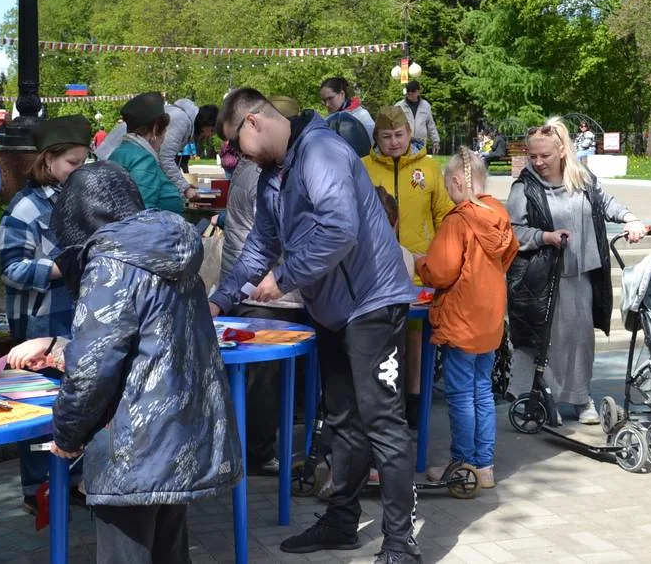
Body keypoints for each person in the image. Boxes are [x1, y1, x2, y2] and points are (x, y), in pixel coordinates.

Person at [210, 88, 420, 564]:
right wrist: (220, 300)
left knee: (383, 422)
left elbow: (339, 228)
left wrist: (284, 277)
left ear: (253, 122)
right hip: (331, 311)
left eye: (235, 142)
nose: (234, 154)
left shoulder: (321, 150)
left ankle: (401, 543)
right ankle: (342, 523)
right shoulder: (272, 174)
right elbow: (261, 245)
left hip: (372, 303)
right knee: (343, 419)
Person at [6, 161, 243, 564]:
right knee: (170, 552)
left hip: (134, 447)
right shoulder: (169, 249)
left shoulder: (111, 262)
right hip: (179, 434)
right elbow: (147, 340)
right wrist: (58, 344)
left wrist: (67, 435)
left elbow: (93, 369)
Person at [506, 118, 647, 424]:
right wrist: (544, 237)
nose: (538, 162)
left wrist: (630, 218)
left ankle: (581, 398)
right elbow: (512, 231)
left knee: (581, 339)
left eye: (545, 155)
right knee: (546, 340)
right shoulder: (524, 187)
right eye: (533, 155)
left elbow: (606, 203)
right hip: (542, 277)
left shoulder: (583, 179)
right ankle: (542, 397)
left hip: (581, 273)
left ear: (561, 151)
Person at [0, 115, 91, 514]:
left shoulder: (81, 199)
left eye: (84, 162)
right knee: (40, 406)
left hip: (75, 317)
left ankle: (73, 479)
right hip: (38, 322)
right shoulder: (25, 207)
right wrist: (58, 268)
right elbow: (10, 268)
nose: (79, 170)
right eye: (72, 163)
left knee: (76, 401)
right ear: (49, 159)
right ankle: (38, 488)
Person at [416, 148, 519, 489]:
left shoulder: (459, 220)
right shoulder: (499, 214)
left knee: (461, 396)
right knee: (482, 392)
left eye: (448, 185)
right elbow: (508, 256)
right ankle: (484, 466)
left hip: (461, 319)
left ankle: (463, 464)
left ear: (458, 181)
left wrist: (419, 263)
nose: (447, 192)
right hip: (489, 317)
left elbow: (441, 272)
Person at [218, 94, 305, 475]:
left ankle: (253, 447)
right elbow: (273, 239)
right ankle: (257, 451)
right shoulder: (265, 169)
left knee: (260, 379)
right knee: (263, 380)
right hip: (265, 292)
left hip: (257, 285)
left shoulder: (258, 164)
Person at [361, 105, 453, 429]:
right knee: (380, 341)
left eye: (399, 135)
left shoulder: (429, 168)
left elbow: (443, 215)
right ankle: (382, 406)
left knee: (415, 341)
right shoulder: (363, 167)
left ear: (410, 134)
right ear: (376, 138)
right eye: (386, 137)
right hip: (375, 275)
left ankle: (413, 405)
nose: (394, 142)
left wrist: (441, 257)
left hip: (419, 272)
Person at [108, 92, 184, 213]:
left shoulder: (118, 153)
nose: (164, 139)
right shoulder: (143, 160)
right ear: (155, 130)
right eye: (164, 131)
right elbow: (143, 213)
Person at [159, 98, 219, 202]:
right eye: (211, 131)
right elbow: (165, 158)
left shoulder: (184, 120)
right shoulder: (181, 121)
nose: (209, 135)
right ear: (205, 124)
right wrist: (185, 189)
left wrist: (184, 185)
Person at [319, 77, 375, 142]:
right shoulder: (328, 120)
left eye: (330, 98)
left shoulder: (361, 115)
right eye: (324, 100)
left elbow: (374, 144)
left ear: (342, 94)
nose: (327, 104)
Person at [393, 81, 440, 154]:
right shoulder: (399, 106)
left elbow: (431, 125)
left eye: (413, 91)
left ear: (418, 92)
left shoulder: (426, 105)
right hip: (404, 143)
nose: (410, 93)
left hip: (421, 144)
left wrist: (435, 141)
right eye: (408, 91)